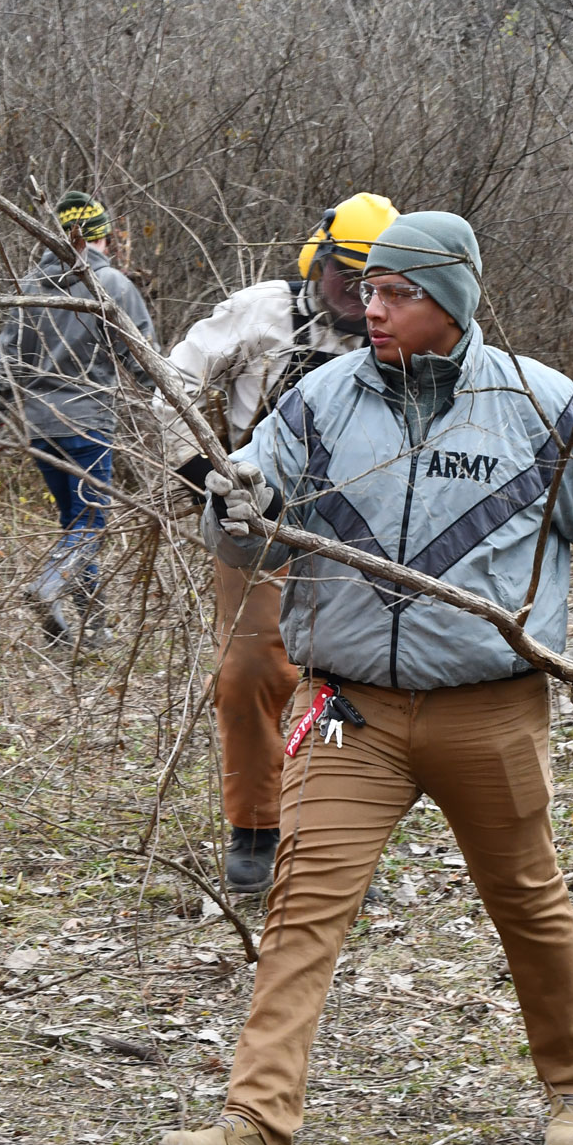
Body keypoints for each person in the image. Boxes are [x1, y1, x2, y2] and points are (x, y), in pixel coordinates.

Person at [158, 211, 573, 1145]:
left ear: (454, 301)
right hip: (350, 710)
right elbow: (250, 531)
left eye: (399, 294)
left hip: (492, 710)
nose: (372, 308)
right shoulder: (318, 403)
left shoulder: (538, 404)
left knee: (528, 897)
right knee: (303, 902)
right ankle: (255, 1125)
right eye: (370, 289)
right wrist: (236, 507)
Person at [154, 193, 400, 892]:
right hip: (256, 523)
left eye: (373, 286)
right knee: (250, 673)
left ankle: (333, 834)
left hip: (361, 534)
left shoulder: (401, 330)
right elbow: (172, 379)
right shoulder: (262, 312)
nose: (356, 300)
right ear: (317, 261)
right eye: (344, 281)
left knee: (351, 683)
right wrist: (207, 477)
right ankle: (256, 828)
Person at [0, 192, 156, 644]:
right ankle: (48, 587)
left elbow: (2, 360)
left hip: (40, 428)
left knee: (76, 524)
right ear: (98, 237)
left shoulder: (30, 288)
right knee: (90, 524)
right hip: (88, 423)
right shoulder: (112, 285)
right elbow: (143, 355)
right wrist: (167, 399)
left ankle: (92, 627)